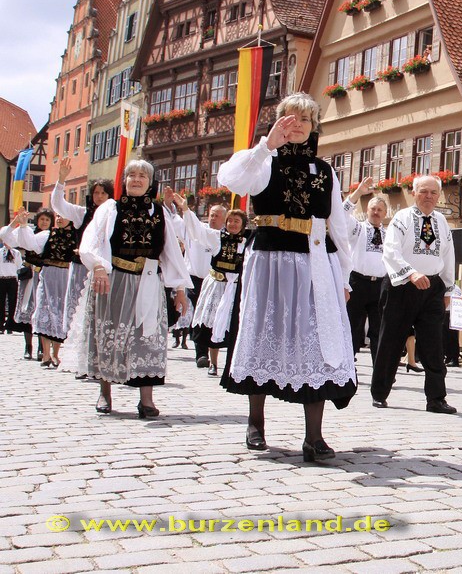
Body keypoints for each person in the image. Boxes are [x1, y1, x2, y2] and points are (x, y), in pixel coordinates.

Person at [218, 92, 357, 462]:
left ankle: (314, 437)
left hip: (315, 262)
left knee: (317, 341)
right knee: (262, 334)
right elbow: (231, 179)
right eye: (290, 118)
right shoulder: (264, 161)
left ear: (313, 127)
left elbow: (338, 227)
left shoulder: (324, 170)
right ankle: (255, 423)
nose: (297, 125)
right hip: (271, 261)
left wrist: (344, 278)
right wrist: (266, 145)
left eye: (304, 120)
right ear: (278, 121)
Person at [62, 160, 190, 417]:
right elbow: (93, 239)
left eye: (142, 175)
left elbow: (170, 251)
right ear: (125, 181)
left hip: (149, 279)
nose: (136, 179)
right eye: (132, 175)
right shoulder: (111, 208)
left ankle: (146, 400)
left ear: (150, 182)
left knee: (147, 336)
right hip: (114, 279)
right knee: (109, 334)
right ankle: (105, 392)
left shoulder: (159, 211)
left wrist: (179, 288)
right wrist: (98, 266)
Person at [371, 174, 457, 413]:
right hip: (402, 286)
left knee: (434, 344)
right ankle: (379, 393)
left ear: (438, 196)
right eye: (423, 191)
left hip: (432, 288)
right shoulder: (402, 218)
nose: (428, 196)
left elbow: (448, 256)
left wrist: (448, 288)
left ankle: (436, 398)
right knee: (391, 340)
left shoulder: (442, 221)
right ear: (414, 193)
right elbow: (391, 251)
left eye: (433, 192)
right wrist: (411, 273)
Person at [177, 190, 247, 378]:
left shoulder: (246, 243)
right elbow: (197, 231)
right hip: (216, 285)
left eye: (236, 221)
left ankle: (231, 365)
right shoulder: (217, 237)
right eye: (230, 221)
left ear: (242, 225)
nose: (232, 224)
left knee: (234, 326)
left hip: (235, 288)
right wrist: (186, 210)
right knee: (212, 323)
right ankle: (213, 363)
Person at [3, 211, 80, 368]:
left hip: (67, 275)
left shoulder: (77, 235)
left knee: (61, 313)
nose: (59, 218)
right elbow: (22, 241)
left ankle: (56, 354)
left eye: (62, 215)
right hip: (48, 274)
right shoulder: (47, 234)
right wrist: (21, 225)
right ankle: (45, 354)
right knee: (44, 311)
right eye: (57, 216)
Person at [52, 158, 115, 336]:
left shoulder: (115, 214)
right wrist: (61, 180)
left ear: (110, 195)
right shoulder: (82, 213)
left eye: (103, 193)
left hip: (105, 269)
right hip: (82, 268)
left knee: (100, 309)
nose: (99, 196)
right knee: (77, 308)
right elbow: (59, 205)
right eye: (96, 193)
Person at [339, 176, 388, 362]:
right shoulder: (357, 229)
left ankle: (379, 371)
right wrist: (358, 192)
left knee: (378, 329)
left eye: (379, 210)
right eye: (373, 209)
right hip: (357, 283)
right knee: (353, 327)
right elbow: (342, 214)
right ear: (367, 211)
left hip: (379, 285)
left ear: (385, 213)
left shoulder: (388, 234)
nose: (375, 212)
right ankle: (347, 368)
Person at [6, 210, 51, 360]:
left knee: (41, 311)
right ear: (37, 220)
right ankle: (28, 346)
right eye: (42, 219)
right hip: (29, 275)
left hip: (44, 275)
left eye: (47, 220)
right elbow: (9, 238)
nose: (44, 222)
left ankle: (41, 348)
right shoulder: (28, 232)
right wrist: (17, 224)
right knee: (27, 309)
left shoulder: (51, 236)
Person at [0, 243, 21, 335]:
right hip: (1, 278)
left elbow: (19, 265)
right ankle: (1, 324)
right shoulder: (0, 252)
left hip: (12, 279)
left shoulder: (16, 252)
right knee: (1, 302)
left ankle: (10, 325)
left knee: (13, 302)